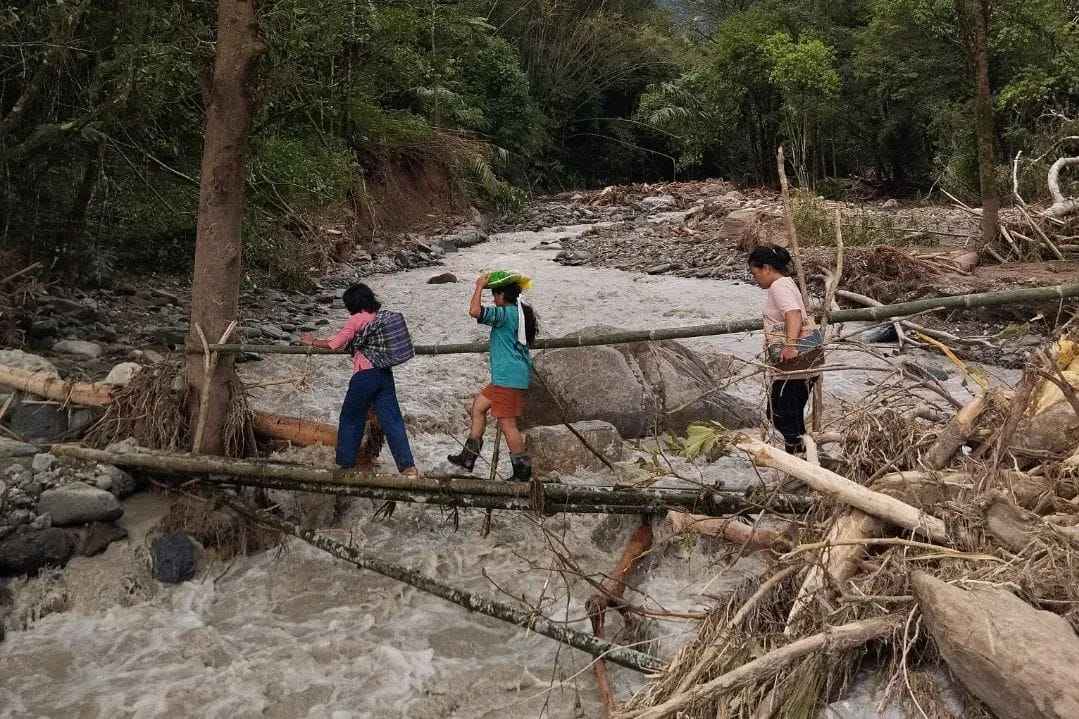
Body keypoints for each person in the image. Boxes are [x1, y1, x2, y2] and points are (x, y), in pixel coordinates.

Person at [300, 283, 420, 477]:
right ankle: (408, 468)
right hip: (384, 375)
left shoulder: (356, 320)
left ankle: (345, 465)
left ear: (352, 303)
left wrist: (312, 341)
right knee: (393, 421)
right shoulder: (378, 318)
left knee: (351, 418)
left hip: (364, 376)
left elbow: (336, 343)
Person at [447, 270, 538, 480]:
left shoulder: (505, 314)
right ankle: (468, 457)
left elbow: (474, 311)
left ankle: (522, 473)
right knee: (478, 407)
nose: (494, 299)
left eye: (494, 295)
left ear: (501, 295)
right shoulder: (519, 312)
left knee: (508, 425)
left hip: (508, 378)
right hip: (507, 377)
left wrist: (479, 286)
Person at [748, 245, 823, 455]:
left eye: (755, 273)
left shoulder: (778, 287)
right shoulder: (787, 282)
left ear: (767, 268)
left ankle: (800, 459)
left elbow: (793, 313)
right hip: (807, 359)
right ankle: (805, 457)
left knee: (780, 414)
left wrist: (790, 346)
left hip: (795, 362)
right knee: (791, 415)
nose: (755, 278)